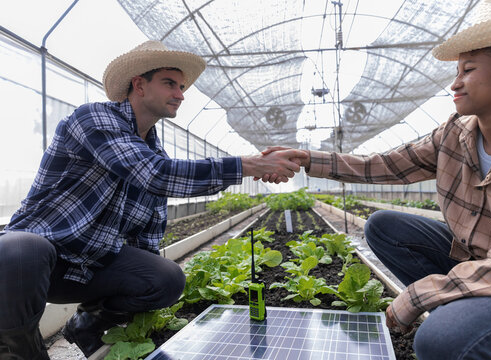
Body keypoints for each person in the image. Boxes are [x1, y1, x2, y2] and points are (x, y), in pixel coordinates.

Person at [263, 1, 491, 358]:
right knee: (384, 226)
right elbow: (389, 165)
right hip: (481, 261)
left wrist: (419, 294)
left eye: (468, 70)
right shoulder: (457, 133)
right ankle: (475, 323)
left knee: (437, 341)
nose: (455, 83)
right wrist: (308, 159)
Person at [0, 40, 306, 359]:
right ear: (139, 85)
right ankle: (20, 351)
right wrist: (250, 165)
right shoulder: (93, 119)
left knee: (167, 278)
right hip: (33, 266)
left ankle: (86, 325)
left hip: (88, 267)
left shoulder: (156, 152)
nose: (180, 94)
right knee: (21, 248)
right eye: (169, 83)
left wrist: (148, 292)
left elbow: (146, 236)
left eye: (182, 86)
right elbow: (155, 174)